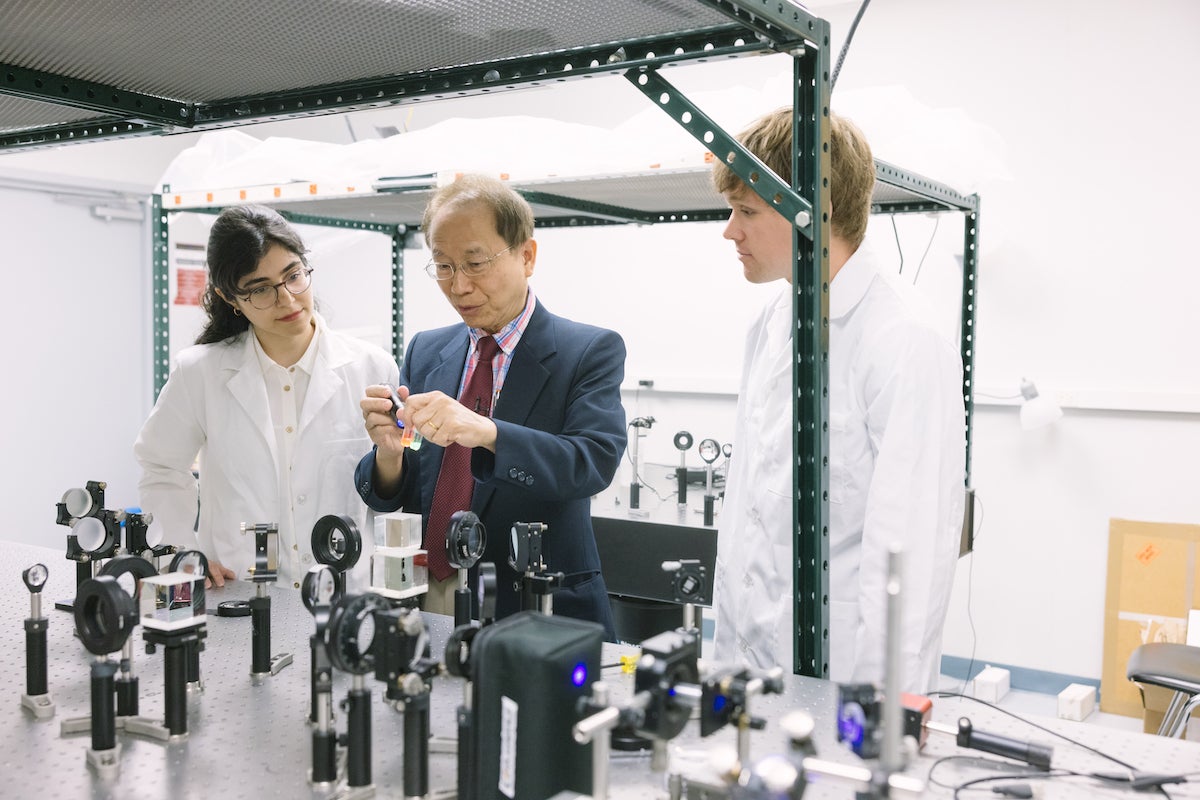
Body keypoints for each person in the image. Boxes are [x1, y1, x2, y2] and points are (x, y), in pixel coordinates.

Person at [710, 110, 966, 693]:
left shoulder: (903, 339)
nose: (730, 231)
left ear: (815, 210)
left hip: (846, 676)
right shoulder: (772, 322)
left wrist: (879, 716)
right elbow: (747, 510)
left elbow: (909, 555)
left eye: (747, 211)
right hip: (751, 665)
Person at [354, 173, 626, 638]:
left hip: (534, 603)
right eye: (442, 265)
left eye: (475, 263)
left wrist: (487, 433)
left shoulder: (587, 351)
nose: (458, 285)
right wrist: (389, 453)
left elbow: (592, 463)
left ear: (527, 256)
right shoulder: (426, 350)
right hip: (429, 593)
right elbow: (403, 485)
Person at [135, 205, 398, 589]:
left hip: (344, 593)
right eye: (260, 290)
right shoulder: (200, 372)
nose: (288, 299)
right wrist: (181, 551)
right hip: (237, 590)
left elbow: (390, 488)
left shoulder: (372, 369)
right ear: (230, 297)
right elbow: (160, 467)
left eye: (293, 276)